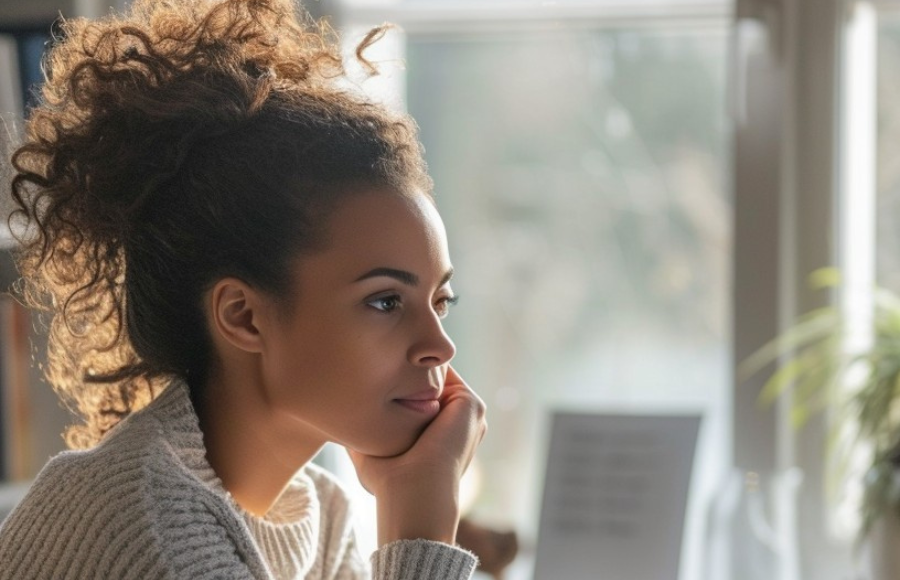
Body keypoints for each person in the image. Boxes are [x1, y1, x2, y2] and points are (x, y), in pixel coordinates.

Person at [0, 0, 487, 578]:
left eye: (440, 303)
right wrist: (422, 527)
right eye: (385, 301)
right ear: (244, 317)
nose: (440, 346)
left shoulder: (319, 515)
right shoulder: (143, 524)